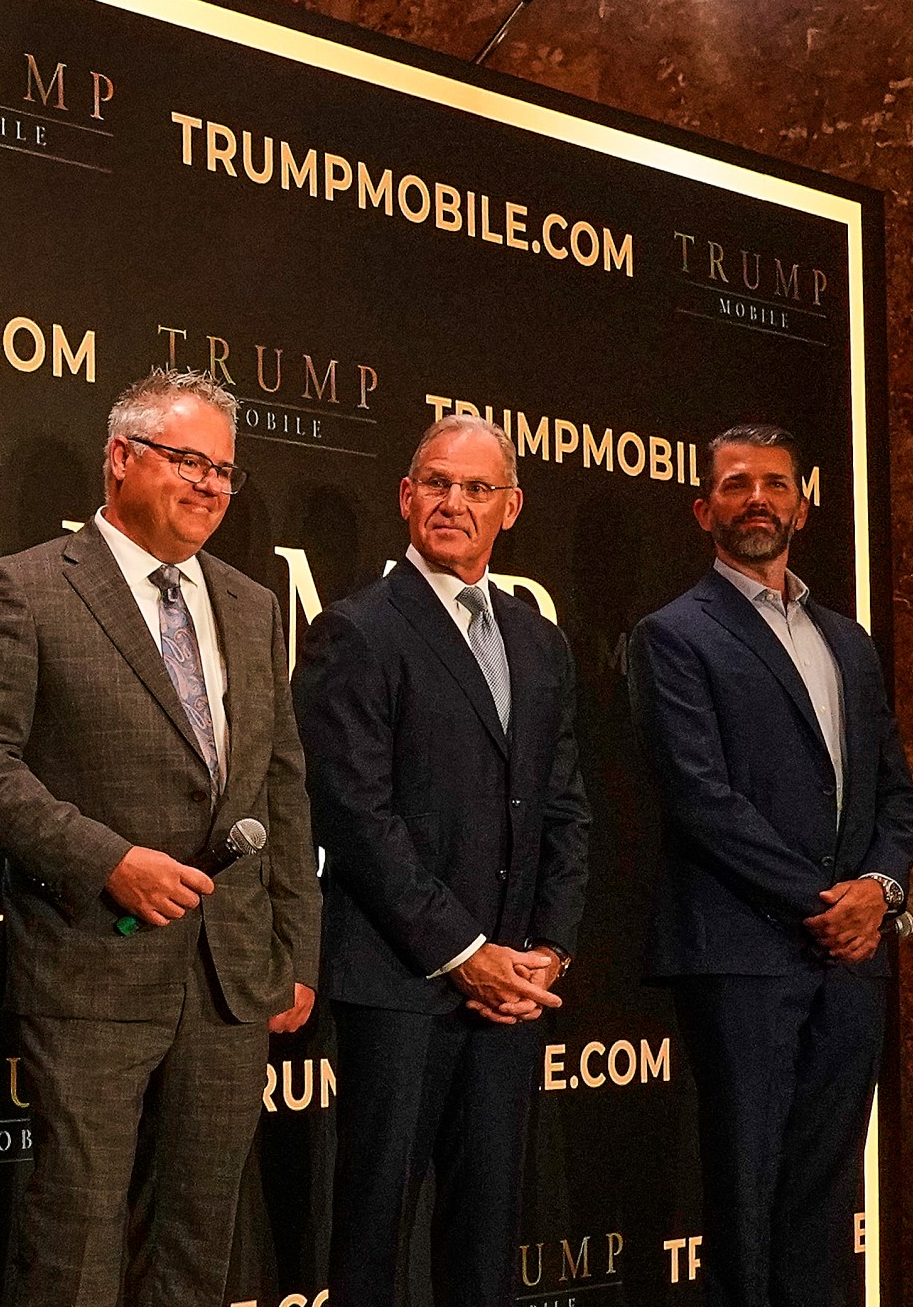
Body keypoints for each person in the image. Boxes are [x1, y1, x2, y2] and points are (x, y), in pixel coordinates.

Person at [0, 366, 319, 1307]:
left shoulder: (251, 604)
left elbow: (281, 786)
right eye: (187, 460)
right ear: (120, 459)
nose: (210, 486)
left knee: (197, 1243)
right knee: (73, 1236)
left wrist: (294, 951)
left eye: (225, 471)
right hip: (91, 966)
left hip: (232, 977)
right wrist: (105, 861)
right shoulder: (25, 589)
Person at [293, 412, 592, 1307]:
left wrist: (548, 950)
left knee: (487, 1235)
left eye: (475, 488)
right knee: (373, 1237)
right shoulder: (359, 630)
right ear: (406, 496)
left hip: (512, 992)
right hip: (400, 981)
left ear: (512, 507)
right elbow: (355, 816)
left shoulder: (538, 640)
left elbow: (564, 807)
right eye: (437, 483)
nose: (453, 502)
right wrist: (465, 954)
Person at [628, 423, 913, 1307]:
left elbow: (896, 795)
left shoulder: (850, 639)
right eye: (736, 484)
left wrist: (879, 891)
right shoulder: (673, 634)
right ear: (703, 508)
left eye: (776, 483)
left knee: (825, 1202)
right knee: (744, 1201)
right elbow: (700, 798)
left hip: (852, 961)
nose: (758, 497)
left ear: (804, 501)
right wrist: (826, 902)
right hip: (743, 954)